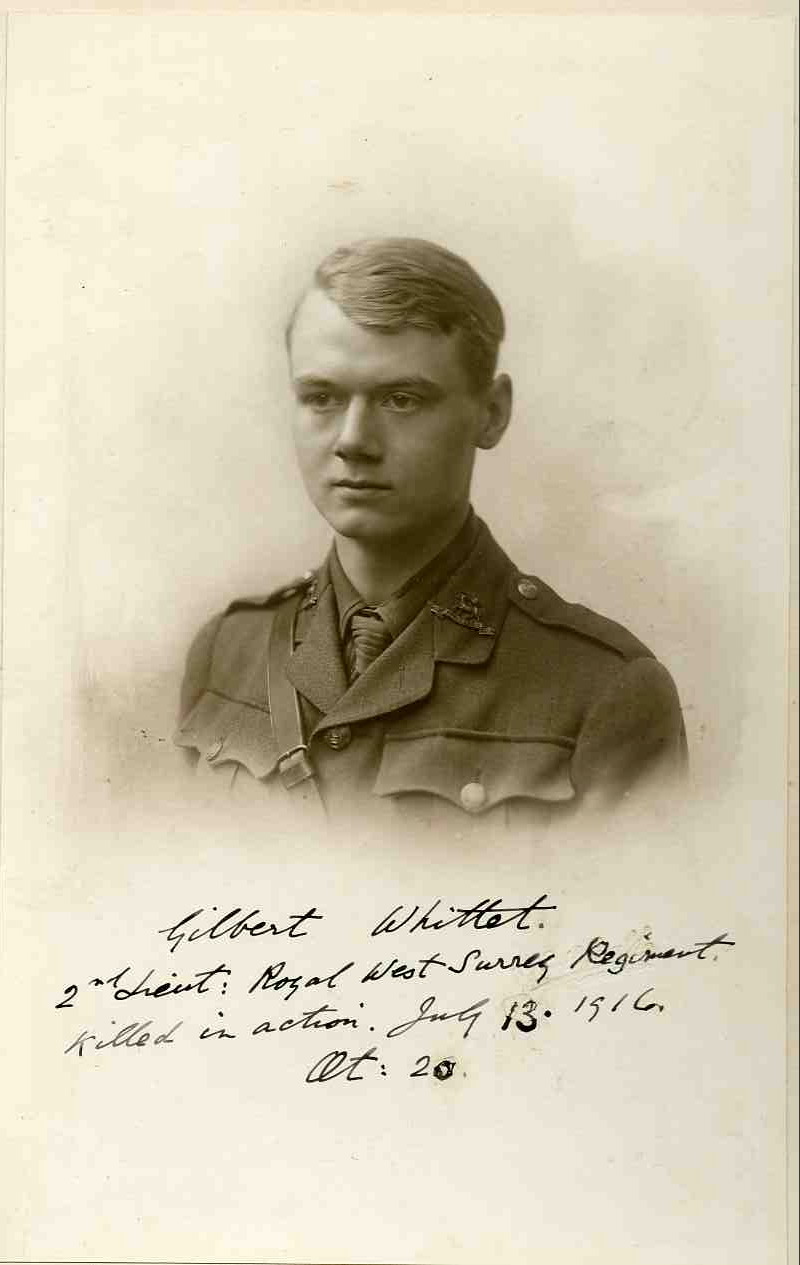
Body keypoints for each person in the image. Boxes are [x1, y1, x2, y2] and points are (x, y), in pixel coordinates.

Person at [175, 237, 688, 831]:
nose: (352, 440)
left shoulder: (602, 692)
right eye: (321, 397)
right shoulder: (228, 651)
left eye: (401, 399)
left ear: (492, 413)